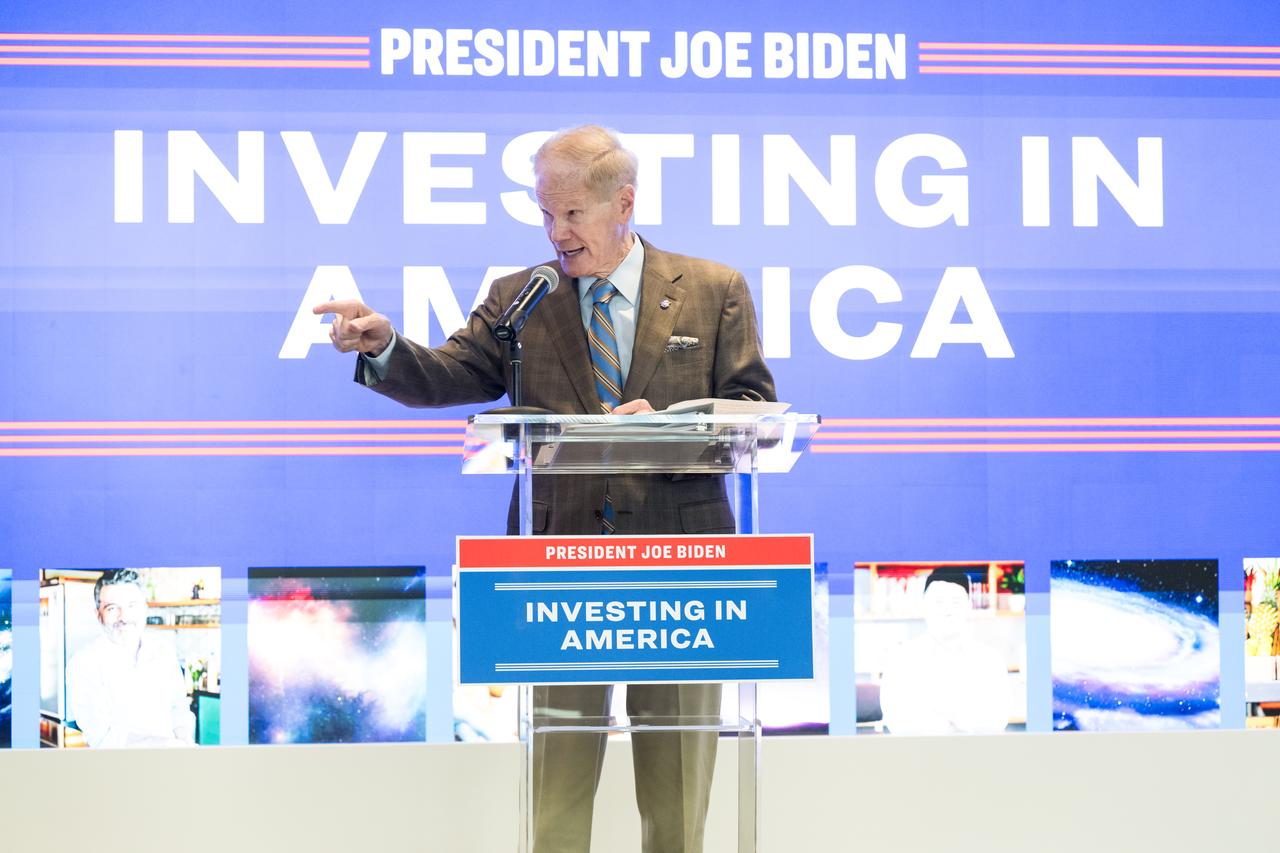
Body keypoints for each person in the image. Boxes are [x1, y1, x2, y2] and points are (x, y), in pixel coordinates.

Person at [314, 124, 775, 853]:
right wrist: (385, 347)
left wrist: (676, 424)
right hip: (559, 573)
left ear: (623, 203)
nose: (556, 233)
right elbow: (448, 374)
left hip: (685, 571)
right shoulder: (523, 296)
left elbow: (753, 409)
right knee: (555, 805)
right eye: (544, 213)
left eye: (572, 214)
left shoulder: (713, 290)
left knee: (679, 800)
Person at [65, 569, 196, 748]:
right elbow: (103, 737)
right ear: (98, 615)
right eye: (112, 608)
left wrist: (184, 739)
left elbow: (178, 708)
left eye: (132, 605)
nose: (124, 617)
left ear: (145, 609)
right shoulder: (83, 663)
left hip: (169, 763)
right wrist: (169, 746)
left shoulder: (163, 650)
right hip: (119, 770)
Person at [878, 568, 1011, 736]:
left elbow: (996, 721)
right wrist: (960, 719)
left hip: (975, 756)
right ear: (924, 606)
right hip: (918, 755)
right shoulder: (901, 659)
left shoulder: (989, 660)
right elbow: (897, 721)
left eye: (956, 602)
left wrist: (947, 712)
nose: (947, 611)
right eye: (938, 602)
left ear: (969, 607)